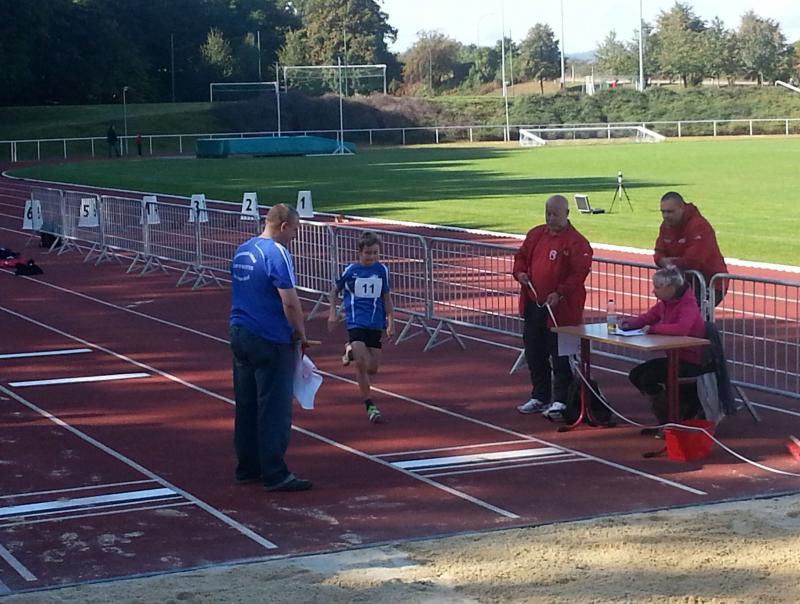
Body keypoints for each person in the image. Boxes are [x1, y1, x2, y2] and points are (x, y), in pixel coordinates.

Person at [229, 204, 312, 492]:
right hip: (269, 337)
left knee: (247, 404)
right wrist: (300, 334)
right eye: (295, 230)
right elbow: (289, 301)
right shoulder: (277, 253)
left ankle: (247, 467)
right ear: (284, 226)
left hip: (239, 331)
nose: (295, 236)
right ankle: (275, 473)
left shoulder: (243, 250)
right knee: (274, 408)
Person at [513, 195, 593, 416]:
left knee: (561, 355)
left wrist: (560, 292)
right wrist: (519, 273)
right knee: (534, 352)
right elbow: (521, 257)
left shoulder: (577, 242)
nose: (550, 218)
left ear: (566, 214)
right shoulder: (536, 234)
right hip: (534, 304)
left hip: (562, 311)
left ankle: (562, 399)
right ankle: (540, 396)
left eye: (555, 214)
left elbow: (578, 274)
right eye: (548, 213)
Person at [621, 267, 706, 434]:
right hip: (675, 357)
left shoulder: (688, 305)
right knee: (636, 374)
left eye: (658, 287)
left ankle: (672, 419)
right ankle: (668, 418)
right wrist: (627, 324)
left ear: (671, 288)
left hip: (691, 360)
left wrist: (653, 329)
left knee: (648, 378)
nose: (654, 291)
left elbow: (681, 328)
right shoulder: (665, 304)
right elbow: (648, 317)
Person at [328, 231, 394, 424]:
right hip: (356, 323)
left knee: (372, 368)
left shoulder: (382, 270)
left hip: (375, 323)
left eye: (375, 253)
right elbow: (334, 292)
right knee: (361, 364)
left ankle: (349, 350)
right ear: (360, 252)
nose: (371, 257)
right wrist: (333, 313)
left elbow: (386, 298)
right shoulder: (351, 271)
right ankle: (370, 405)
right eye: (368, 253)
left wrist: (391, 322)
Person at [654, 191, 727, 308]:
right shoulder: (666, 226)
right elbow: (659, 251)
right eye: (663, 212)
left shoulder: (699, 226)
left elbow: (693, 260)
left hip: (709, 282)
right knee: (674, 313)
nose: (666, 216)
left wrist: (670, 262)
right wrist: (662, 260)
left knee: (695, 314)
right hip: (683, 282)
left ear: (681, 208)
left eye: (670, 212)